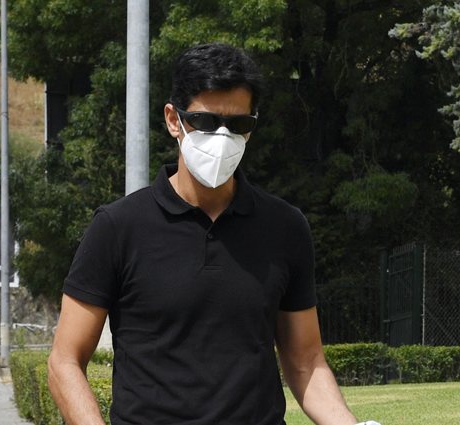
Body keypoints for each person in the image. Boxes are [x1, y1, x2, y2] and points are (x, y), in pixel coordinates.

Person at [47, 43, 379, 425]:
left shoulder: (285, 227)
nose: (222, 137)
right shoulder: (118, 227)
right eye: (205, 122)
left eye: (238, 125)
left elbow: (305, 361)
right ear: (174, 120)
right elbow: (65, 360)